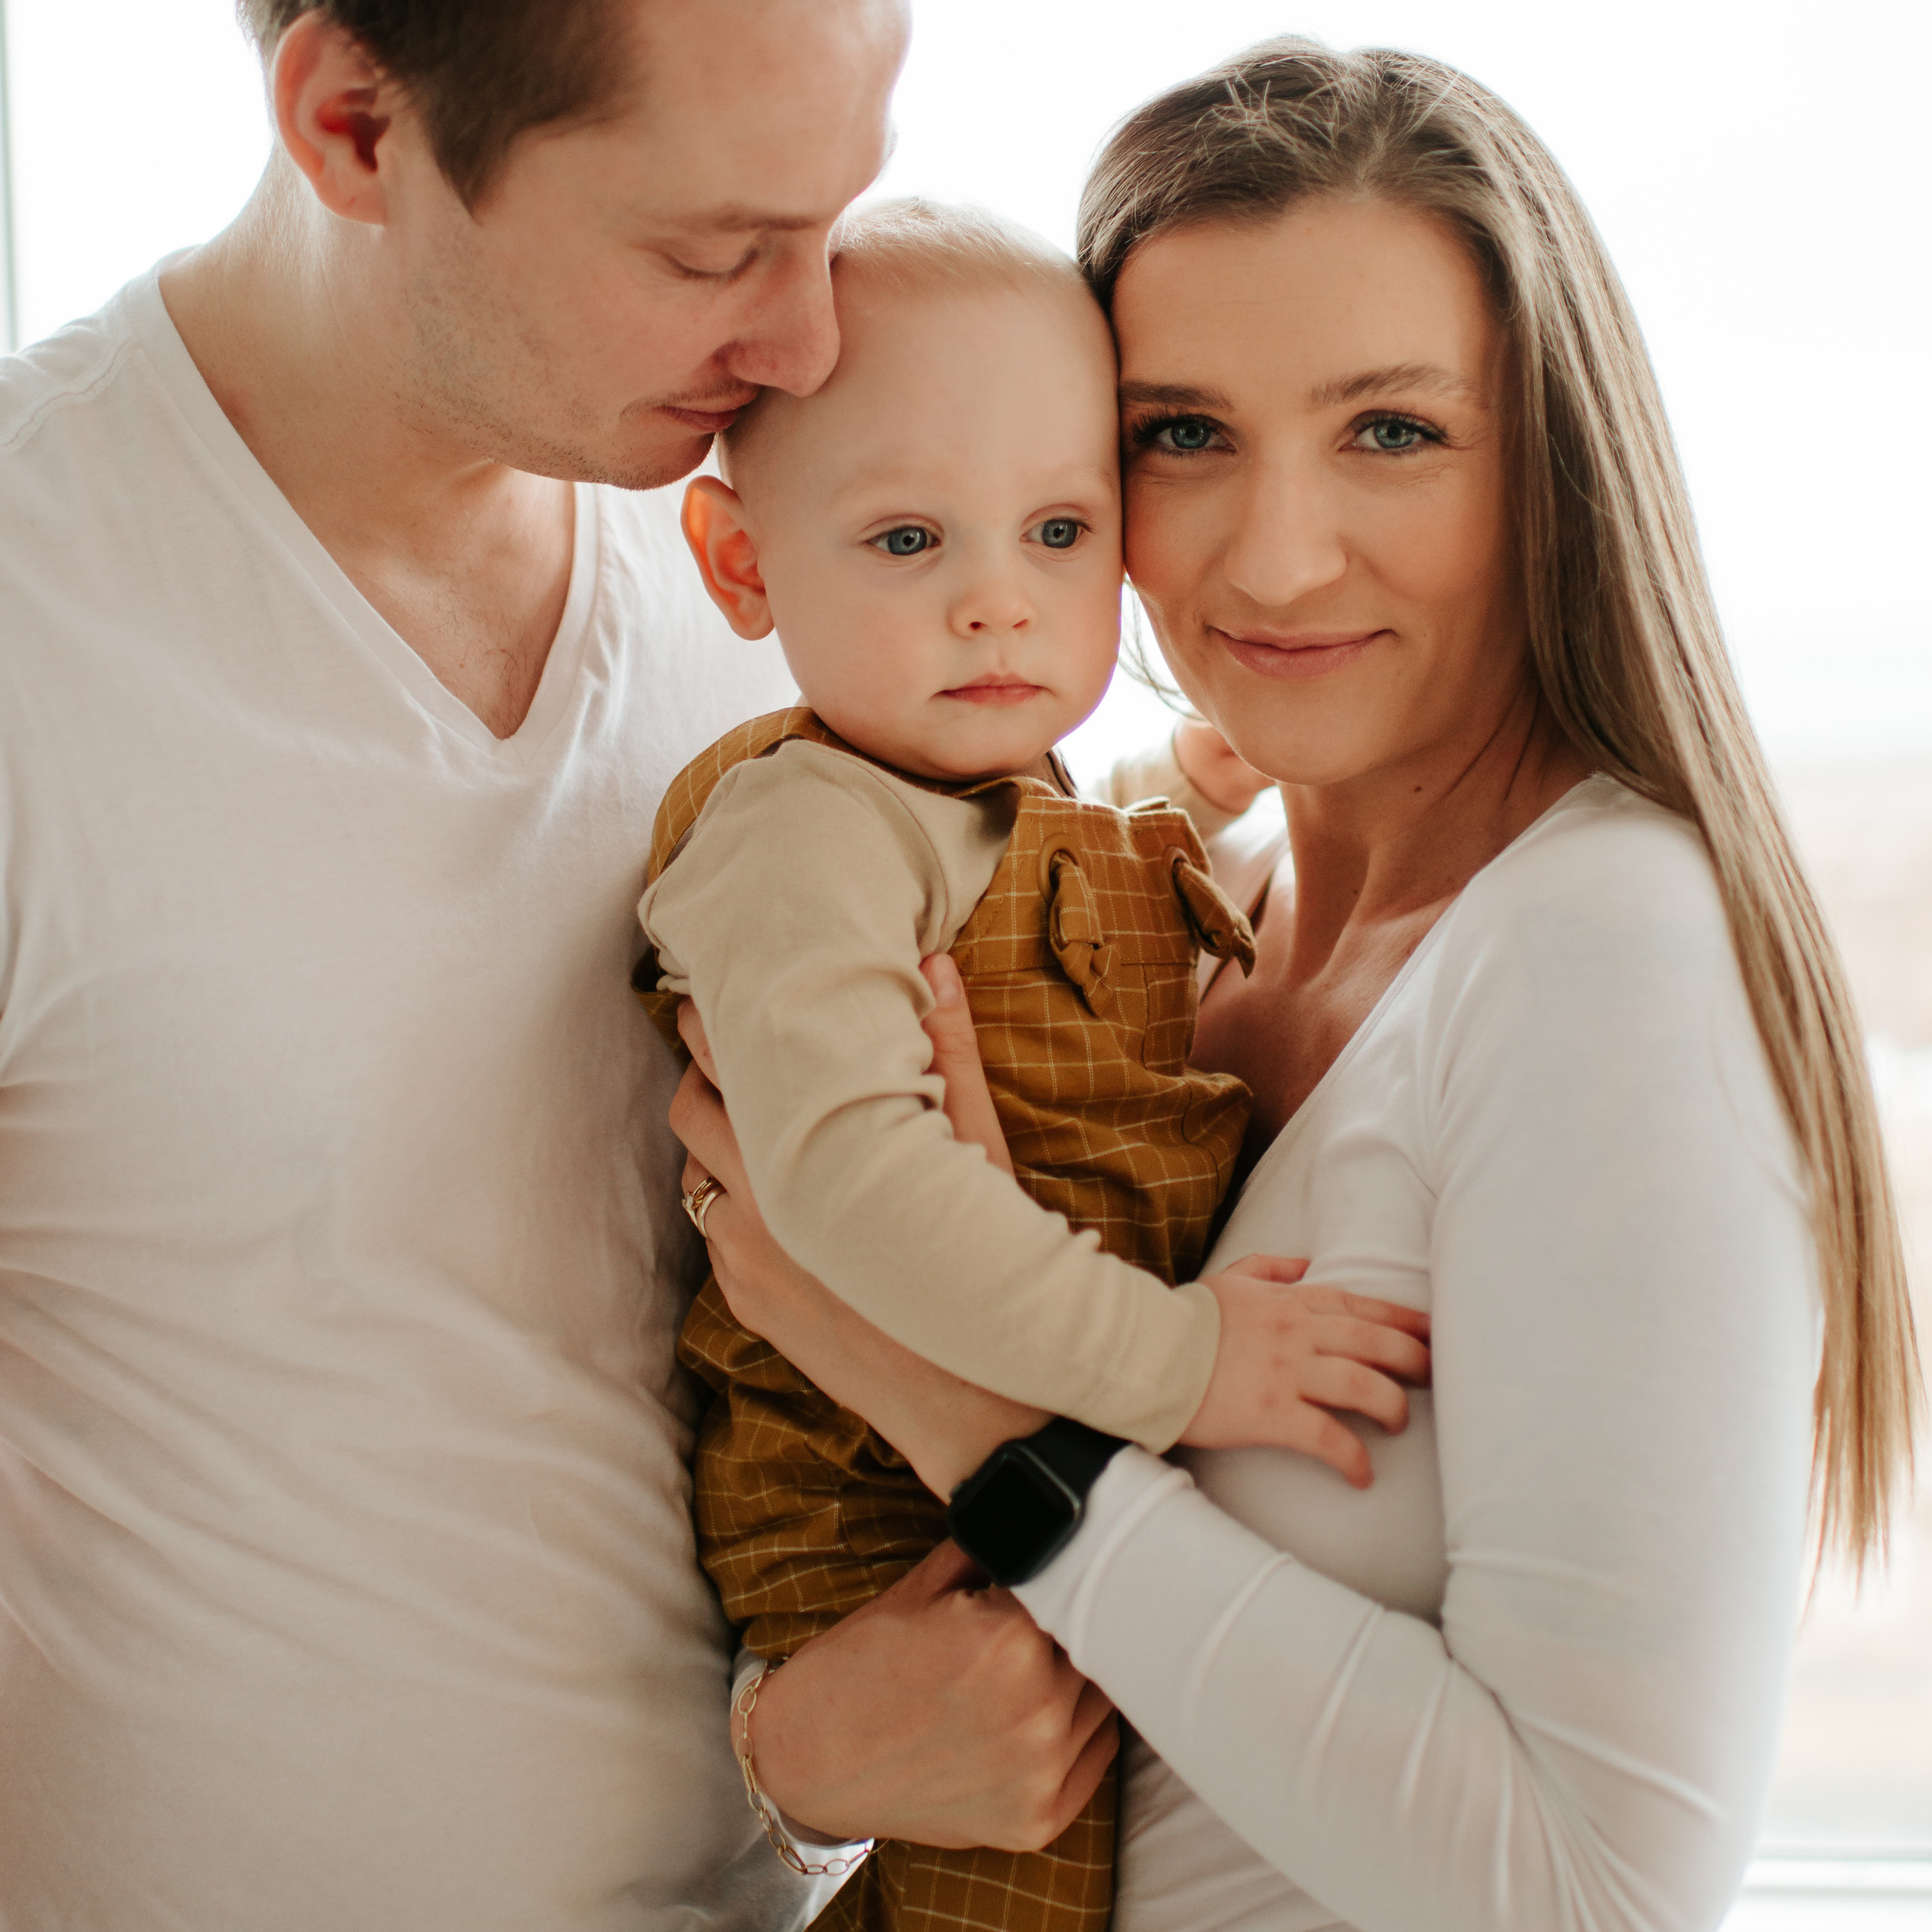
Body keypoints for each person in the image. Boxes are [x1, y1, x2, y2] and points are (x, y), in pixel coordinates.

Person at [668, 37, 1924, 1932]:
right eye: (1182, 433)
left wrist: (983, 1416)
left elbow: (1594, 1894)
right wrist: (800, 1764)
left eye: (1390, 431)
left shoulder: (1604, 947)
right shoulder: (1166, 922)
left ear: (1550, 466)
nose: (1270, 554)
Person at [0, 4, 1131, 1925]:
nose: (807, 342)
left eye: (832, 220)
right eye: (711, 251)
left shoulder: (818, 558)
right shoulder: (40, 620)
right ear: (355, 126)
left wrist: (802, 1773)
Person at [635, 198, 1432, 1929]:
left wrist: (1181, 792)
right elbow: (847, 1188)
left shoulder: (986, 794)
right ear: (741, 562)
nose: (998, 601)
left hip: (1004, 1463)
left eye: (1059, 531)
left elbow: (1038, 902)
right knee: (1014, 1887)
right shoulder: (804, 835)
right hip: (879, 1530)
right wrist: (1178, 1362)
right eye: (907, 538)